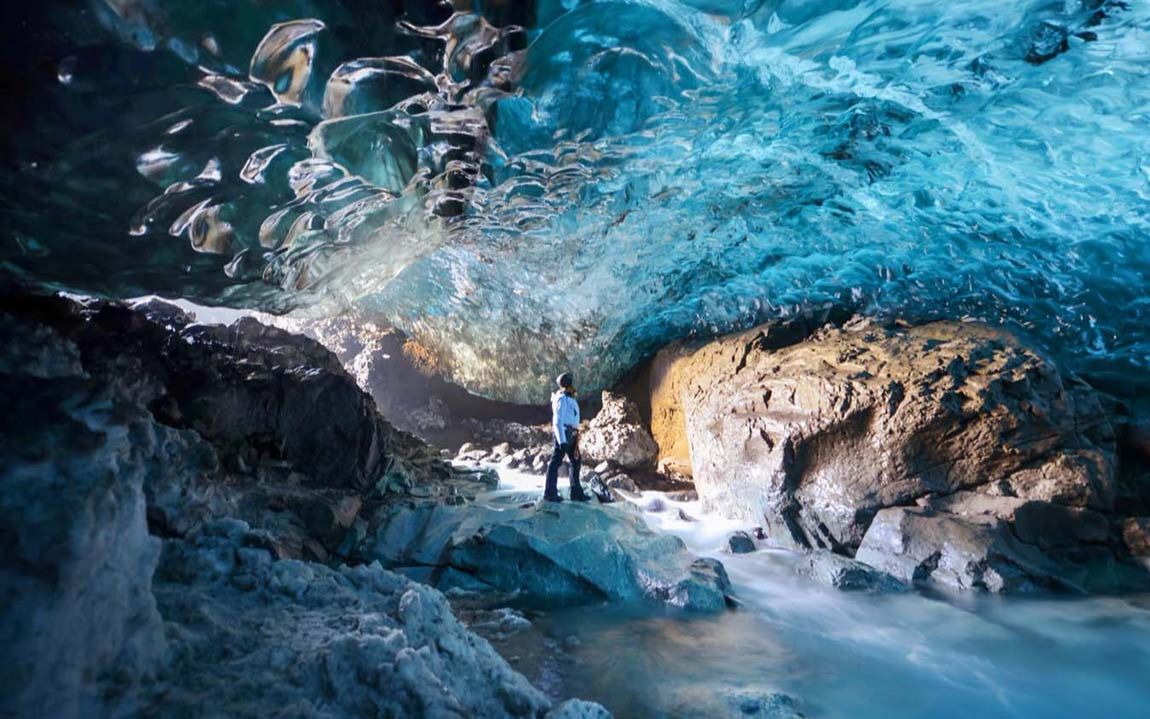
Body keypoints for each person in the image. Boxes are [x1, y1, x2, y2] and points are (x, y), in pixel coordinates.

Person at [543, 372, 590, 502]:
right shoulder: (562, 398)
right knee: (555, 462)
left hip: (572, 434)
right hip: (564, 433)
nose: (571, 385)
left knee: (576, 462)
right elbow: (557, 420)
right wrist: (562, 440)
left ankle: (576, 493)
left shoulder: (569, 398)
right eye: (569, 383)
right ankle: (550, 493)